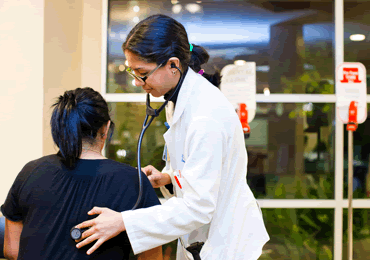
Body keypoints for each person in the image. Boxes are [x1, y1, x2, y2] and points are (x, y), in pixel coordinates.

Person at [75, 14, 270, 260]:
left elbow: (199, 207)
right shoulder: (176, 100)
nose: (137, 82)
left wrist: (123, 221)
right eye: (132, 71)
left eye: (142, 73)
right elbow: (196, 169)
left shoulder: (205, 116)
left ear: (173, 65)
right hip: (201, 241)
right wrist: (167, 177)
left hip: (224, 244)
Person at [0, 87, 162, 260]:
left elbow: (11, 249)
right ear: (106, 128)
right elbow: (152, 256)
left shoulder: (30, 172)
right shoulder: (133, 181)